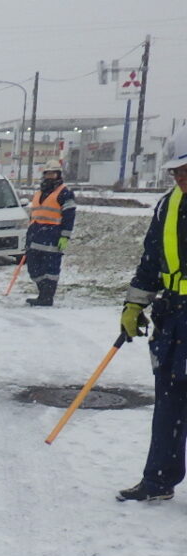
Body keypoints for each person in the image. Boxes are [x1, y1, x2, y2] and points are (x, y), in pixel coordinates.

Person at [116, 132, 187, 502]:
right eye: (176, 171)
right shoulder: (168, 205)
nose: (180, 178)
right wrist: (134, 304)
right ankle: (159, 479)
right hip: (174, 315)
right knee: (170, 402)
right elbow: (150, 261)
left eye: (185, 170)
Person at [24, 161, 76, 307]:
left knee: (50, 270)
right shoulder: (39, 193)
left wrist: (65, 236)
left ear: (58, 175)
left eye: (53, 173)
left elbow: (69, 216)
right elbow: (34, 215)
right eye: (47, 173)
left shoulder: (65, 193)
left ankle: (47, 297)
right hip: (36, 237)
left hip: (53, 239)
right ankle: (43, 293)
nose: (49, 177)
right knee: (34, 269)